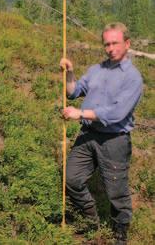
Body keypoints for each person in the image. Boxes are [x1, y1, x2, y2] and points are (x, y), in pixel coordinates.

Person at [60, 22, 143, 245]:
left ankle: (120, 234)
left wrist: (80, 114)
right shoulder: (96, 70)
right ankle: (91, 223)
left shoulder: (133, 78)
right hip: (89, 135)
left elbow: (116, 113)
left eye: (115, 43)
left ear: (127, 44)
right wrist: (70, 73)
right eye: (106, 43)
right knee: (71, 179)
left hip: (114, 140)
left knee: (116, 192)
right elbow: (73, 92)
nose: (110, 48)